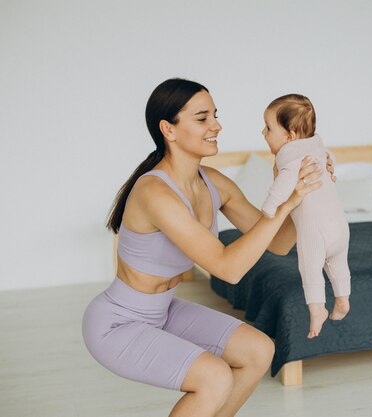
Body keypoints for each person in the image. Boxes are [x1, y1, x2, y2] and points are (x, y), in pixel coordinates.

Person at [82, 78, 335, 417]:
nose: (216, 125)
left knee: (258, 350)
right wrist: (287, 204)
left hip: (163, 310)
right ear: (168, 130)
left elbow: (279, 242)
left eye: (215, 115)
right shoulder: (154, 193)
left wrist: (304, 188)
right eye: (202, 118)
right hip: (118, 323)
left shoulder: (214, 183)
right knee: (213, 378)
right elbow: (227, 268)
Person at [261, 94, 351, 340]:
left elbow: (282, 186)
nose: (263, 133)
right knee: (338, 263)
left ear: (289, 136)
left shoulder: (292, 159)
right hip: (341, 227)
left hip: (316, 231)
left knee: (310, 268)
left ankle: (317, 309)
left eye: (268, 128)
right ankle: (342, 299)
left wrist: (269, 208)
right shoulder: (320, 151)